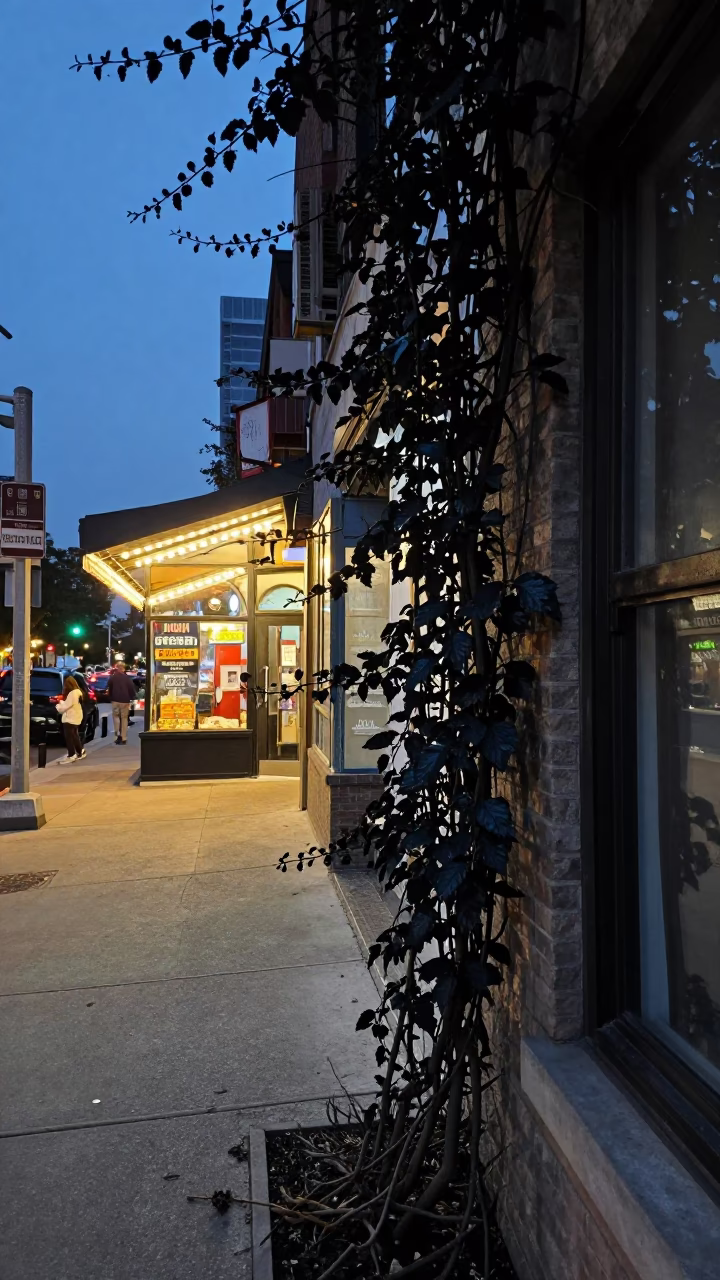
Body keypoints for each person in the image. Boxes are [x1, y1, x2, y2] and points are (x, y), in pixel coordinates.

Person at [56, 675, 86, 764]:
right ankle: (80, 752)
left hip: (70, 718)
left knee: (69, 737)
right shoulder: (78, 692)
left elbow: (65, 707)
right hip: (76, 717)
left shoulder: (72, 694)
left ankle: (71, 754)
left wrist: (59, 705)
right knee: (74, 735)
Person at [107, 661, 137, 744]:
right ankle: (124, 737)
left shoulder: (113, 678)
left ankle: (117, 736)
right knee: (124, 719)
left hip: (115, 700)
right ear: (123, 668)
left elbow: (109, 687)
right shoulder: (127, 678)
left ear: (117, 668)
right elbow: (131, 689)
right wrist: (132, 697)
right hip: (125, 701)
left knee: (116, 717)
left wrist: (111, 697)